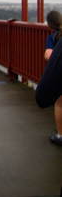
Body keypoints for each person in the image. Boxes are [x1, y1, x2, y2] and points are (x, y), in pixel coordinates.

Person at [36, 10, 62, 146]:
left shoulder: (52, 38)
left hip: (58, 75)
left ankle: (60, 134)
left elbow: (48, 55)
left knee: (59, 103)